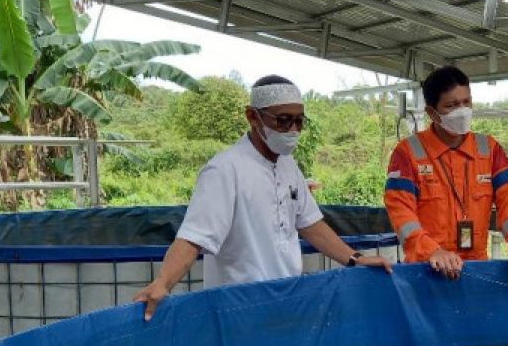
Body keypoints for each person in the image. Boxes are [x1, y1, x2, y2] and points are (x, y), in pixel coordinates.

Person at [134, 75, 391, 320]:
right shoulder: (225, 170)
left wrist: (355, 259)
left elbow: (311, 225)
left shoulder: (289, 166)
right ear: (252, 117)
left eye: (299, 121)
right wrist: (163, 282)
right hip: (239, 309)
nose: (293, 129)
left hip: (288, 302)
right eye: (283, 120)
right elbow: (194, 237)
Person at [384, 65, 508, 280]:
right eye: (452, 105)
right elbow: (402, 215)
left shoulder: (489, 149)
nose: (462, 110)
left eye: (467, 102)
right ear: (432, 112)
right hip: (427, 272)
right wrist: (432, 251)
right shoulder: (408, 153)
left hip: (476, 272)